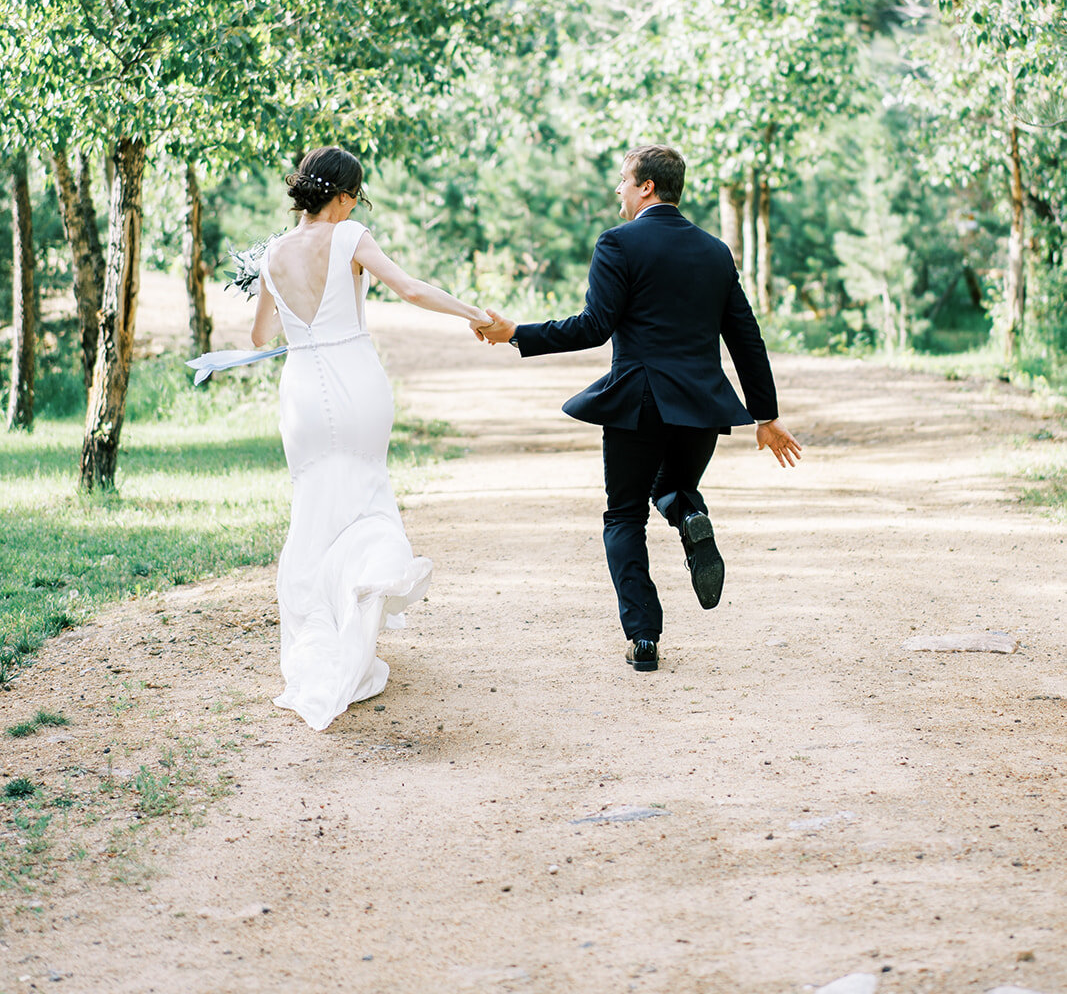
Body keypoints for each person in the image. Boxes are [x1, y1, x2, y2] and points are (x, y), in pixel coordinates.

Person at [473, 144, 801, 673]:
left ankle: (643, 637)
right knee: (673, 489)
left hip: (640, 402)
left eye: (624, 181)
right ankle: (691, 515)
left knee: (624, 514)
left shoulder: (618, 244)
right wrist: (765, 415)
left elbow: (593, 326)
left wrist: (518, 334)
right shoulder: (716, 251)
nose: (618, 191)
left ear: (647, 186)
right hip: (702, 408)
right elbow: (746, 336)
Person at [251, 145, 491, 730]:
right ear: (342, 196)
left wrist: (286, 304)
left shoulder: (271, 253)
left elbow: (260, 339)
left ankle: (317, 640)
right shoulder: (350, 235)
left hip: (303, 390)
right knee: (364, 495)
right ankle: (359, 607)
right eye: (355, 195)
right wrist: (473, 313)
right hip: (356, 382)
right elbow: (408, 289)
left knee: (312, 509)